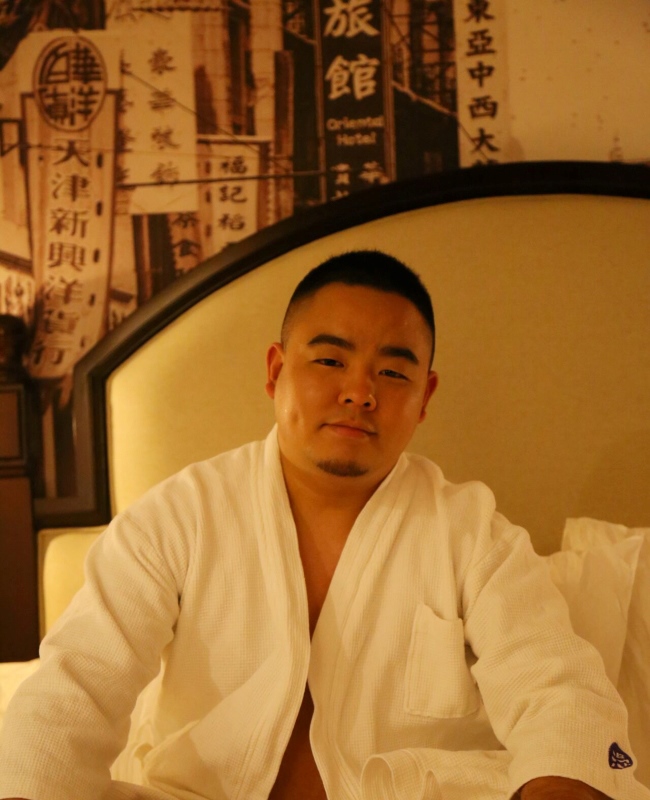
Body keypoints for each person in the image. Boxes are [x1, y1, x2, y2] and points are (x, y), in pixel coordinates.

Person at [0, 250, 647, 800]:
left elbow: (556, 686)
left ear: (424, 397)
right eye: (331, 361)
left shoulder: (472, 532)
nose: (360, 392)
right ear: (276, 371)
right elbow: (74, 690)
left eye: (392, 372)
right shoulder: (177, 518)